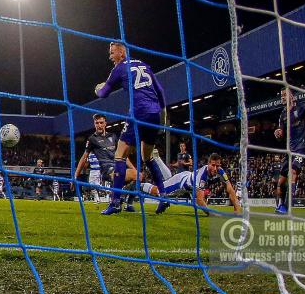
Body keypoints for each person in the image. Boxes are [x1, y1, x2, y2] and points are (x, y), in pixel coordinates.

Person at [95, 42, 167, 215]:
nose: (110, 56)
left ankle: (115, 203)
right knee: (147, 156)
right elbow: (160, 90)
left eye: (112, 53)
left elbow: (103, 94)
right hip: (155, 114)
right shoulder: (143, 64)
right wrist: (163, 118)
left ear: (121, 53)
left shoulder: (119, 68)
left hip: (138, 113)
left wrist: (97, 89)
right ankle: (163, 196)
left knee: (120, 155)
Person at [74, 113, 140, 211]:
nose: (99, 125)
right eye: (97, 123)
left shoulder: (113, 136)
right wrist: (76, 175)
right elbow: (84, 158)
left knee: (138, 175)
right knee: (119, 176)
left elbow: (122, 156)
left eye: (101, 123)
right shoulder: (92, 139)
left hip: (118, 166)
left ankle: (128, 204)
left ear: (105, 123)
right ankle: (117, 200)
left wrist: (134, 169)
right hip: (107, 170)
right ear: (94, 124)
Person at [143, 153, 241, 215]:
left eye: (218, 166)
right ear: (208, 163)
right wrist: (214, 215)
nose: (215, 168)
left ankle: (165, 201)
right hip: (181, 182)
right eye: (213, 165)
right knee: (157, 191)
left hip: (190, 182)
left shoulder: (220, 171)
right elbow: (199, 201)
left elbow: (230, 189)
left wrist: (237, 209)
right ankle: (138, 186)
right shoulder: (202, 175)